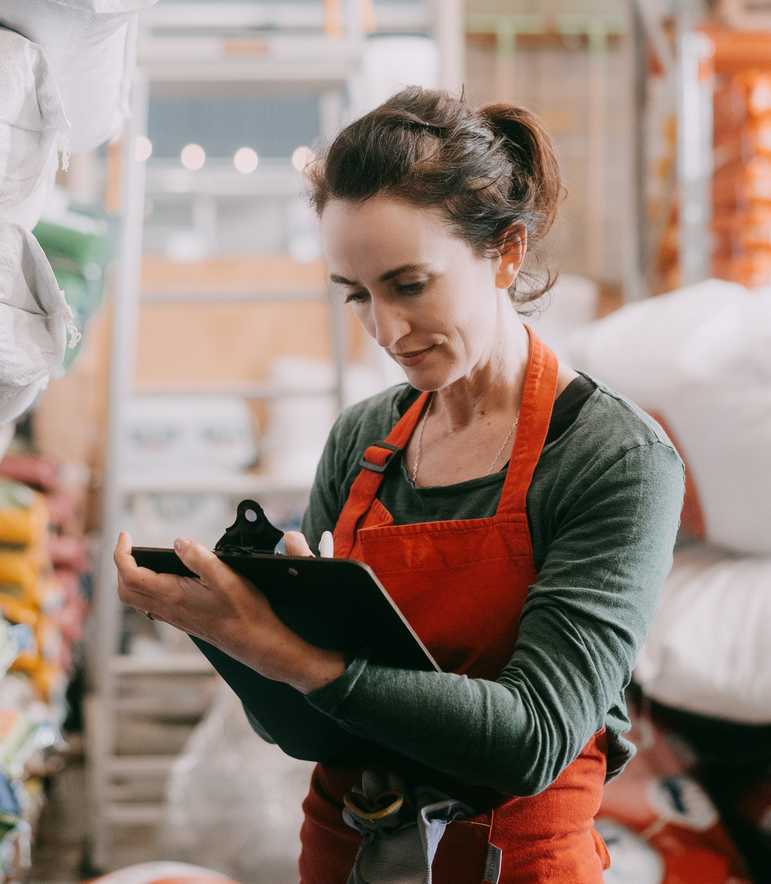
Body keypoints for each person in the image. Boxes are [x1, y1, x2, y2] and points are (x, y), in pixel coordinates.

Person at [113, 87, 685, 884]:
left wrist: (294, 655)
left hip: (509, 862)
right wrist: (230, 632)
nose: (384, 330)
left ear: (506, 253)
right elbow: (312, 732)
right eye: (357, 295)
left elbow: (533, 739)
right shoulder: (361, 442)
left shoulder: (610, 458)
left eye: (409, 285)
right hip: (351, 853)